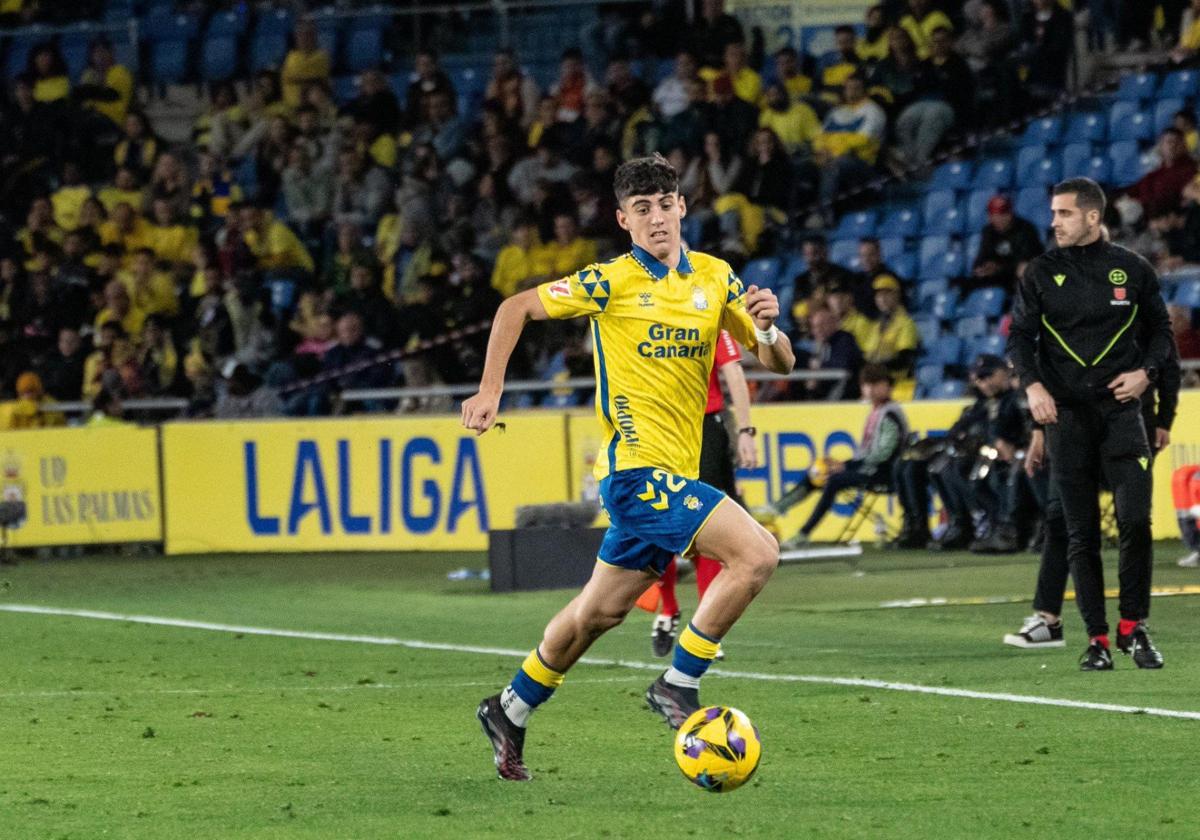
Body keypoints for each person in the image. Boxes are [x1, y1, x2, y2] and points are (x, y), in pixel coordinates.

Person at [462, 154, 793, 781]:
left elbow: (781, 363)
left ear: (682, 207)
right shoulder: (609, 281)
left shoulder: (717, 279)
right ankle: (678, 683)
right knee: (758, 554)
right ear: (624, 220)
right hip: (637, 475)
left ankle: (509, 708)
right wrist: (489, 391)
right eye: (642, 209)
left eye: (666, 204)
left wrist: (770, 331)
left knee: (598, 614)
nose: (657, 217)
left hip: (675, 476)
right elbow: (513, 309)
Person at [1008, 178, 1175, 671]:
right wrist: (1033, 388)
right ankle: (1097, 639)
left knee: (1136, 523)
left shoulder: (1132, 269)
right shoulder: (1039, 273)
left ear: (1092, 217)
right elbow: (1020, 337)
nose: (1054, 222)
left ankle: (1134, 628)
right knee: (1080, 534)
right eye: (1054, 213)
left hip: (1123, 415)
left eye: (1063, 213)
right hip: (1067, 418)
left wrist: (1146, 375)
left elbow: (1162, 331)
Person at [648, 329, 758, 657]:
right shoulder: (646, 315)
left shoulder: (708, 315)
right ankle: (668, 609)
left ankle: (705, 624)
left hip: (704, 431)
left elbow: (733, 369)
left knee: (706, 526)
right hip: (657, 432)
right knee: (655, 526)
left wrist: (746, 429)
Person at [754, 364, 906, 549]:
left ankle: (804, 533)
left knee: (834, 480)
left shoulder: (890, 414)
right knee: (818, 472)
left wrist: (847, 466)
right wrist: (843, 463)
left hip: (885, 473)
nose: (871, 389)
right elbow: (870, 452)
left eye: (876, 384)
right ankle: (777, 508)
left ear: (888, 386)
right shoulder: (877, 412)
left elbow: (883, 454)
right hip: (869, 468)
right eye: (867, 384)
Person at [969, 195, 1044, 295]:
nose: (998, 219)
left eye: (1003, 214)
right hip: (998, 275)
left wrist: (999, 268)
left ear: (1010, 214)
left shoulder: (1025, 229)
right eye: (994, 215)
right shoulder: (988, 231)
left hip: (1016, 277)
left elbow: (1024, 263)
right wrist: (983, 267)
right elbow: (981, 258)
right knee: (964, 283)